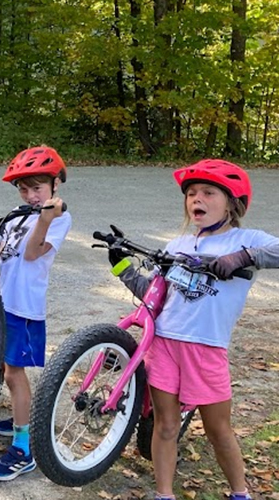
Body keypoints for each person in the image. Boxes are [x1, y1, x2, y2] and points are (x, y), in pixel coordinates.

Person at [108, 160, 278, 500]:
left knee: (218, 430)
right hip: (164, 344)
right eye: (190, 193)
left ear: (231, 202)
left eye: (207, 192)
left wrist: (242, 258)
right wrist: (122, 267)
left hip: (206, 348)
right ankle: (164, 494)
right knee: (166, 425)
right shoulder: (177, 245)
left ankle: (240, 492)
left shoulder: (246, 239)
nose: (196, 198)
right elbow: (153, 296)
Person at [0, 146, 71, 481]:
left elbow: (31, 254)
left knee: (14, 374)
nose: (29, 195)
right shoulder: (17, 214)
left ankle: (23, 449)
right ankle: (18, 418)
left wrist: (44, 216)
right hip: (0, 302)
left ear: (56, 185)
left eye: (37, 188)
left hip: (23, 308)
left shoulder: (58, 218)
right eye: (24, 189)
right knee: (1, 364)